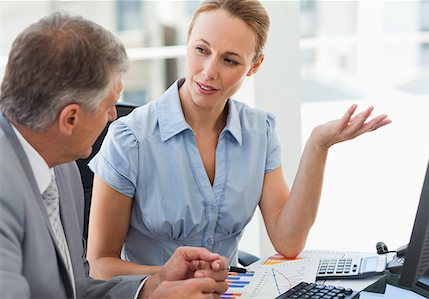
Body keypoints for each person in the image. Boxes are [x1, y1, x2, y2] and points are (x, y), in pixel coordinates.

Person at [87, 0, 392, 280]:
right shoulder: (130, 138)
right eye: (201, 50)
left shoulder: (260, 132)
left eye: (230, 61)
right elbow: (100, 265)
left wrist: (318, 145)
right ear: (188, 43)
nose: (209, 72)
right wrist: (172, 276)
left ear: (254, 66)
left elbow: (288, 241)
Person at [0, 12, 229, 299]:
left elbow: (77, 290)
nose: (113, 117)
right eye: (110, 105)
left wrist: (151, 288)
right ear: (70, 118)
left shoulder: (63, 167)